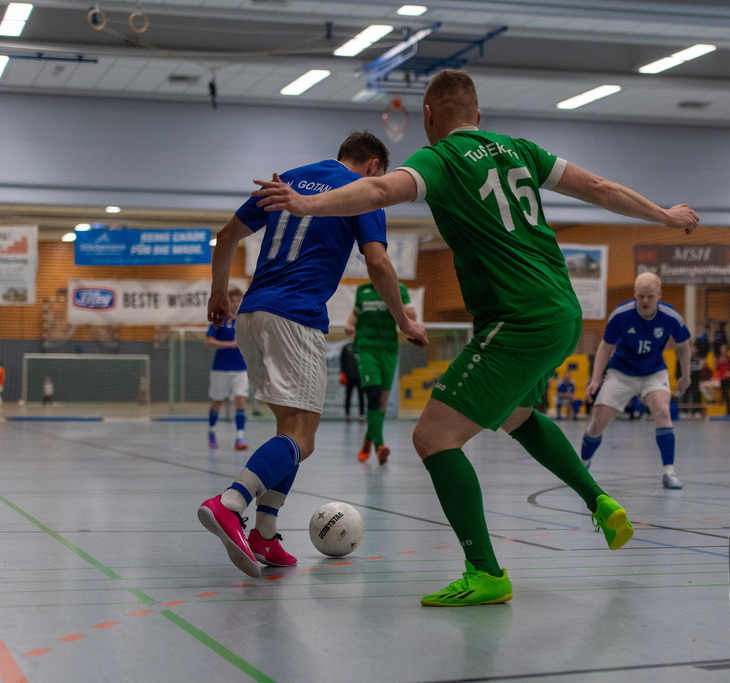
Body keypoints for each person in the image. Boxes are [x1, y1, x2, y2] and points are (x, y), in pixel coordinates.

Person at [252, 68, 699, 606]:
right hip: (562, 312)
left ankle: (485, 572)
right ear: (479, 115)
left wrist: (307, 203)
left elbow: (375, 189)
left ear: (428, 116)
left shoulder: (437, 160)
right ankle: (600, 503)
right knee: (516, 415)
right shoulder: (521, 150)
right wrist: (666, 217)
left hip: (519, 318)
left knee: (432, 438)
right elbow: (599, 189)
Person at [198, 131, 428, 579]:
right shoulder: (364, 193)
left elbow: (226, 236)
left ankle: (264, 534)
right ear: (375, 168)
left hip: (251, 315)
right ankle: (230, 503)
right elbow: (378, 264)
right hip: (295, 318)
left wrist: (219, 293)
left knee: (290, 431)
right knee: (303, 438)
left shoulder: (290, 180)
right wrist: (404, 320)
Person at [578, 273, 691, 489]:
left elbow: (683, 345)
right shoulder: (621, 315)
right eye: (640, 297)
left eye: (650, 296)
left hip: (653, 372)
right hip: (621, 372)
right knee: (597, 423)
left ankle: (669, 472)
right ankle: (582, 466)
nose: (645, 302)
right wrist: (595, 379)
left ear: (659, 294)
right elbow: (605, 347)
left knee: (662, 411)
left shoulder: (670, 317)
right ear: (634, 295)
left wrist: (685, 376)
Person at [346, 280, 417, 463]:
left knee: (382, 403)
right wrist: (349, 325)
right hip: (367, 348)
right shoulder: (363, 290)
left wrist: (393, 298)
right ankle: (380, 446)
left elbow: (412, 315)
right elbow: (355, 313)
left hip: (388, 350)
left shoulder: (398, 288)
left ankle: (368, 439)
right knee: (374, 397)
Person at [205, 286, 249, 450]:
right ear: (227, 302)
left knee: (240, 399)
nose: (236, 304)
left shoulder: (245, 322)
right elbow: (208, 341)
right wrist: (229, 344)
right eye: (233, 300)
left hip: (240, 369)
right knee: (217, 401)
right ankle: (211, 431)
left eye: (239, 300)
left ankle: (239, 438)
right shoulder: (220, 320)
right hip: (221, 369)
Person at [339, 342, 364, 422]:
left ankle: (361, 415)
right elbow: (342, 362)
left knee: (361, 397)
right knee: (348, 396)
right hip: (349, 376)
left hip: (360, 377)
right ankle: (347, 415)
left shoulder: (362, 346)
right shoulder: (346, 347)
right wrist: (343, 374)